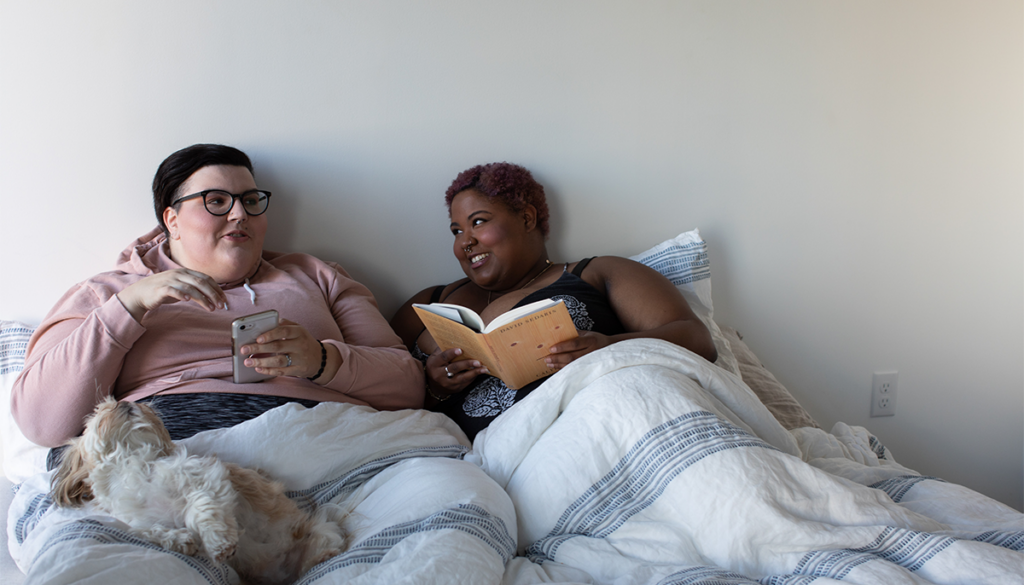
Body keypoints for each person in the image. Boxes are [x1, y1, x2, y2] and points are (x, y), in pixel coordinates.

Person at [12, 144, 424, 452]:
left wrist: (321, 360)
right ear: (172, 220)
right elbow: (41, 422)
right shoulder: (107, 293)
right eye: (216, 201)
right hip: (171, 454)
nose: (240, 213)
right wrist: (128, 308)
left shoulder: (318, 276)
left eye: (250, 200)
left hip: (326, 440)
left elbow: (408, 386)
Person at [390, 162, 717, 440]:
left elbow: (699, 341)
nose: (466, 241)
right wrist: (435, 388)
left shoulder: (596, 273)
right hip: (460, 460)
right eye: (456, 230)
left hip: (582, 435)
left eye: (478, 222)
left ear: (527, 219)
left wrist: (609, 348)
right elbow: (371, 393)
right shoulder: (431, 302)